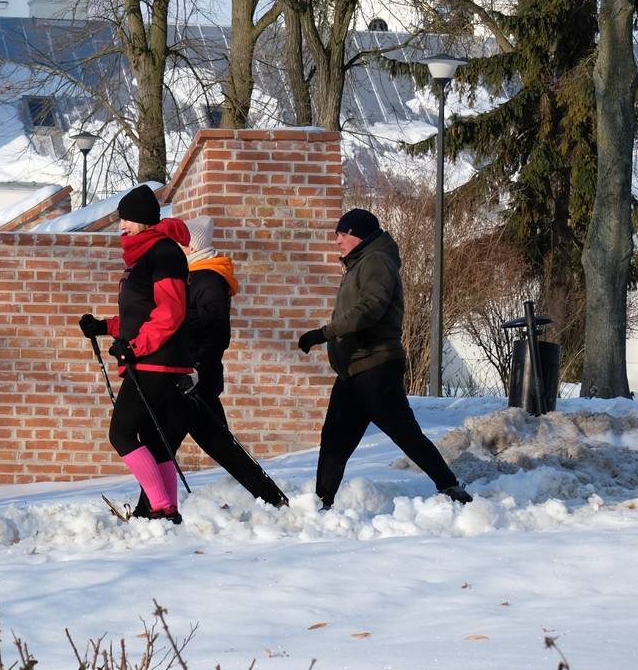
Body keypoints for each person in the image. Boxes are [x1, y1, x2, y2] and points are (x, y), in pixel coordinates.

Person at [296, 208, 473, 510]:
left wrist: (325, 333)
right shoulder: (359, 263)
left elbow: (370, 307)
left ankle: (451, 487)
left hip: (375, 367)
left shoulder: (376, 260)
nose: (337, 241)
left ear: (358, 235)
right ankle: (322, 502)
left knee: (404, 432)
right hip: (354, 369)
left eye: (342, 234)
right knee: (335, 437)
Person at [156, 215, 289, 508]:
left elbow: (216, 333)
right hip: (188, 377)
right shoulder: (193, 277)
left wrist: (196, 370)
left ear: (191, 247)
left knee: (163, 444)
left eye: (178, 244)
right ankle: (273, 500)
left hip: (193, 380)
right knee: (218, 445)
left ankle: (150, 509)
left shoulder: (208, 279)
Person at [78, 184, 193, 523]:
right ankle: (167, 510)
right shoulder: (144, 256)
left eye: (126, 219)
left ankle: (161, 506)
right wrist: (104, 326)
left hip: (156, 361)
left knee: (122, 433)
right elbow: (140, 314)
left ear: (142, 220)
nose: (121, 226)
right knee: (154, 439)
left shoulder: (163, 253)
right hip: (152, 359)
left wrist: (135, 346)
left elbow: (170, 312)